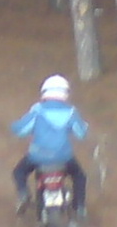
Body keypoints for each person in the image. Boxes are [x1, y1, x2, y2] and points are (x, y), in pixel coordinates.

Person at [10, 74, 89, 219]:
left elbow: (21, 131)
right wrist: (84, 127)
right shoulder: (71, 112)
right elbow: (81, 134)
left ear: (44, 92)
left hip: (37, 156)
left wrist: (14, 126)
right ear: (65, 93)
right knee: (79, 176)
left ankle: (23, 194)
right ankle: (79, 207)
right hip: (64, 157)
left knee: (19, 172)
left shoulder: (37, 110)